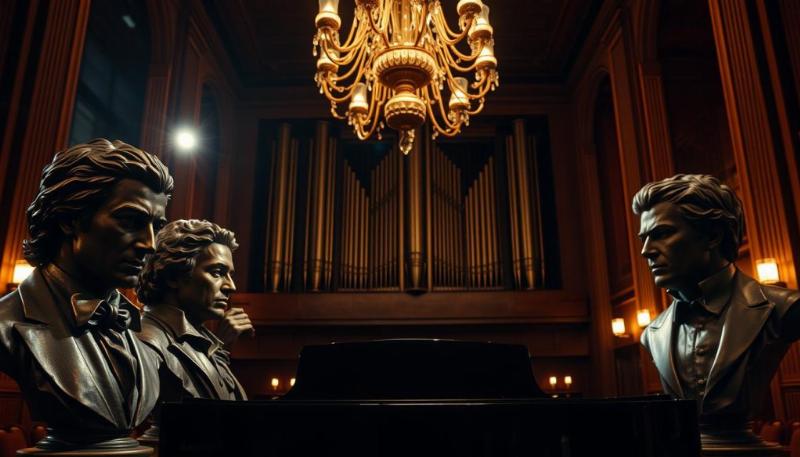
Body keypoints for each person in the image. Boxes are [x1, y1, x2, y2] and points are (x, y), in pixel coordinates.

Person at [0, 139, 173, 451]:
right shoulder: (7, 323)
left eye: (156, 226)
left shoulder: (134, 327)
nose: (150, 244)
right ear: (70, 219)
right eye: (130, 221)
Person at [634, 174, 800, 451]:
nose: (646, 251)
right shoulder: (652, 333)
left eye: (661, 234)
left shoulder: (782, 308)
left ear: (712, 235)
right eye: (644, 238)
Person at [135, 219, 253, 440]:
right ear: (174, 277)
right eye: (217, 272)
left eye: (230, 274)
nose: (231, 286)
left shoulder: (204, 342)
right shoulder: (146, 340)